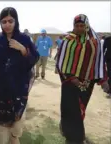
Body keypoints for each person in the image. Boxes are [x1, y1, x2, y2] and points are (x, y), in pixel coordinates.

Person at [0, 7, 39, 144]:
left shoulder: (25, 39)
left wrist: (23, 50)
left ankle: (14, 138)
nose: (7, 25)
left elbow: (34, 59)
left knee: (17, 128)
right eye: (4, 21)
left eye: (10, 21)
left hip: (19, 90)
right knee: (2, 133)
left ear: (16, 21)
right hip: (1, 91)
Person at [56, 14, 109, 144]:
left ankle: (75, 136)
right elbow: (61, 62)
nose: (79, 28)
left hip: (86, 83)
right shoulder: (67, 41)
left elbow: (98, 61)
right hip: (69, 83)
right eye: (76, 26)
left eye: (82, 26)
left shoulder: (94, 42)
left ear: (87, 26)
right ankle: (74, 138)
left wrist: (103, 80)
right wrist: (71, 77)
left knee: (79, 111)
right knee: (69, 109)